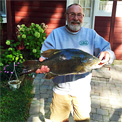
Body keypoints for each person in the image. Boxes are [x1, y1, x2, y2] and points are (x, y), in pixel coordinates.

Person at [36, 3, 115, 122]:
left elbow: (108, 50)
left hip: (82, 91)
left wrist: (108, 54)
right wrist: (41, 64)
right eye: (72, 14)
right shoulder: (56, 34)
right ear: (66, 16)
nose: (76, 18)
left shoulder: (91, 34)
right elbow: (44, 55)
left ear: (83, 17)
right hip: (60, 89)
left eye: (79, 15)